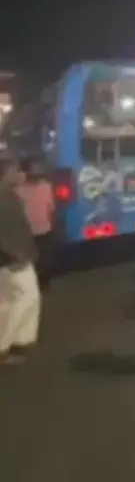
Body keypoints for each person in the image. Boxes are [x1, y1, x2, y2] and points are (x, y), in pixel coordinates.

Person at [0, 160, 41, 366]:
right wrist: (15, 253)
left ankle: (20, 339)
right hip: (14, 257)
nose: (20, 173)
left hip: (9, 258)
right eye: (15, 170)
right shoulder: (4, 198)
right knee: (28, 296)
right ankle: (5, 344)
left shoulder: (8, 195)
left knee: (7, 301)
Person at [16, 157, 55, 291]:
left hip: (38, 231)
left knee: (40, 260)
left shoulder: (19, 189)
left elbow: (50, 209)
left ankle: (40, 284)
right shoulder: (19, 190)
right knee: (37, 261)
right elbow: (50, 210)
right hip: (32, 232)